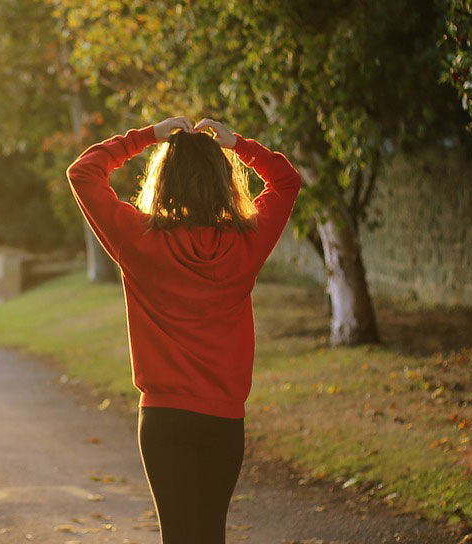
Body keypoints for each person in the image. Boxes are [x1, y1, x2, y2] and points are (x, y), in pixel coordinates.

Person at [65, 116, 303, 543]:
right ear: (223, 181)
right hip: (224, 419)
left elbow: (83, 172)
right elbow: (285, 181)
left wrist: (146, 137)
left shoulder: (139, 240)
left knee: (178, 536)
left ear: (165, 179)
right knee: (211, 534)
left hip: (163, 418)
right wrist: (238, 144)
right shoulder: (245, 242)